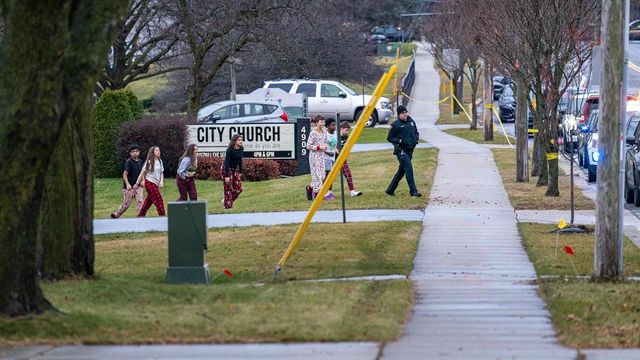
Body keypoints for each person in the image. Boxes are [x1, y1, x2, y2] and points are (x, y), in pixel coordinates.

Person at [386, 105, 422, 197]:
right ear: (399, 114)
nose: (405, 114)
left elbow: (416, 132)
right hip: (401, 151)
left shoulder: (411, 121)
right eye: (403, 113)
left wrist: (416, 139)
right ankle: (413, 191)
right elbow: (390, 138)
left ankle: (390, 189)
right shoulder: (395, 124)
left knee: (402, 171)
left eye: (406, 112)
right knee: (409, 168)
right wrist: (400, 141)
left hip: (410, 150)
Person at [111, 144, 144, 218]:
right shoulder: (129, 162)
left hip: (138, 186)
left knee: (140, 202)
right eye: (133, 151)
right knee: (126, 204)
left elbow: (142, 173)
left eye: (136, 151)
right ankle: (116, 214)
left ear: (139, 152)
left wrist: (143, 181)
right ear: (130, 153)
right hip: (129, 187)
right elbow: (124, 174)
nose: (135, 153)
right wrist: (128, 184)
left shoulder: (140, 161)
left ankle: (140, 217)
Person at [136, 146, 166, 217]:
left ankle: (140, 215)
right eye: (157, 150)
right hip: (149, 183)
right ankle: (163, 216)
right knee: (159, 200)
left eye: (159, 150)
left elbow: (161, 173)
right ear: (153, 152)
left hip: (156, 184)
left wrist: (161, 182)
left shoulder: (160, 161)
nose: (159, 152)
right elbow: (142, 173)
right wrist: (137, 183)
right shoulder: (149, 161)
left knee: (149, 201)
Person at [306, 115, 329, 200]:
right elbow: (308, 146)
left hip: (321, 156)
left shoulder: (325, 132)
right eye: (321, 121)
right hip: (314, 156)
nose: (323, 123)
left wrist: (325, 146)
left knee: (322, 176)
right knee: (317, 176)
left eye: (323, 121)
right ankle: (317, 194)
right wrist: (318, 147)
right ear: (316, 123)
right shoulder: (313, 133)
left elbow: (326, 142)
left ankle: (309, 187)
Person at [339, 121, 363, 197]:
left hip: (342, 159)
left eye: (348, 130)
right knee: (327, 177)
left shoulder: (346, 137)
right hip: (333, 159)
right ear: (341, 129)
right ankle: (327, 192)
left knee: (348, 174)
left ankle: (352, 192)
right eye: (346, 130)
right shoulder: (335, 137)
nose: (347, 132)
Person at [221, 134, 244, 209]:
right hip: (227, 169)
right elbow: (226, 162)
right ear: (234, 141)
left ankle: (226, 200)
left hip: (235, 170)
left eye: (241, 140)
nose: (241, 141)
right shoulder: (230, 149)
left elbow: (240, 160)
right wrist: (226, 175)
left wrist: (240, 171)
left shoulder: (241, 149)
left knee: (239, 189)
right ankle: (228, 207)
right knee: (228, 189)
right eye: (239, 140)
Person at [323, 118, 338, 200]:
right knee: (328, 176)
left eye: (335, 124)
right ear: (328, 126)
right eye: (332, 125)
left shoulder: (335, 133)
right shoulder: (325, 135)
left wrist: (336, 150)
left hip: (332, 157)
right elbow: (322, 147)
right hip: (326, 157)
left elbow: (335, 145)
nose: (334, 126)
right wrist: (328, 153)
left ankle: (329, 192)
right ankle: (326, 193)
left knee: (330, 176)